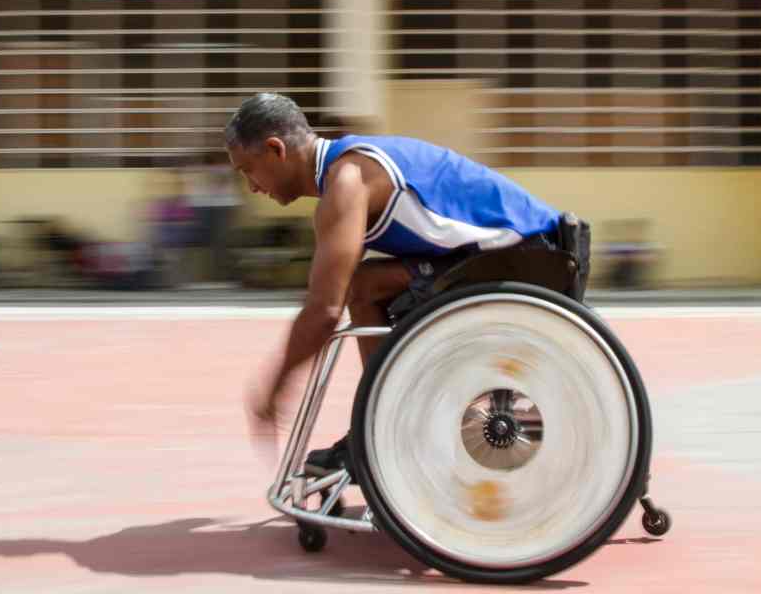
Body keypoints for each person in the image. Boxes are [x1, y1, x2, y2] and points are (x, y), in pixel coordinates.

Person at [229, 92, 575, 475]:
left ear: (275, 149)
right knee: (363, 286)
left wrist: (275, 388)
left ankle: (386, 428)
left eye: (247, 170)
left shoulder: (348, 180)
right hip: (515, 252)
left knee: (358, 288)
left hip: (534, 254)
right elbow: (326, 295)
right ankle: (384, 423)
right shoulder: (347, 170)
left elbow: (324, 311)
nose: (252, 186)